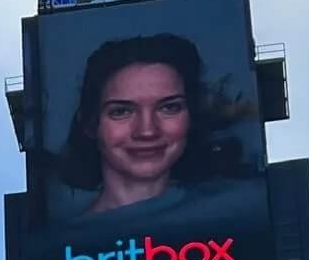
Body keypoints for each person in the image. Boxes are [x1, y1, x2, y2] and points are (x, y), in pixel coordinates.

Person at [52, 34, 255, 218]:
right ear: (89, 124)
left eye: (169, 107)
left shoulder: (242, 209)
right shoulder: (58, 246)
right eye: (121, 111)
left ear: (191, 116)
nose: (147, 131)